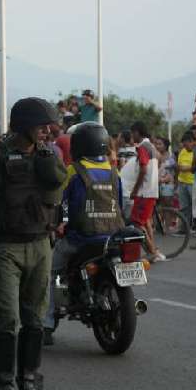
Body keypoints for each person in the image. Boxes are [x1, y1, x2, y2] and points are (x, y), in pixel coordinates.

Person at [0, 97, 66, 390]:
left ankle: (28, 383)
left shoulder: (48, 155)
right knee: (8, 321)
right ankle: (4, 387)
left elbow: (57, 191)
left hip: (40, 245)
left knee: (35, 321)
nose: (47, 132)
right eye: (42, 126)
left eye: (49, 127)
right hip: (5, 247)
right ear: (24, 125)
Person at [43, 122, 124, 346]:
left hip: (82, 239)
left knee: (49, 272)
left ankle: (47, 324)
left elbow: (61, 202)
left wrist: (59, 223)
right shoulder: (113, 171)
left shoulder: (73, 170)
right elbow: (119, 204)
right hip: (112, 236)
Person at [129, 122, 165, 262]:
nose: (132, 137)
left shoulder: (143, 147)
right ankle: (153, 249)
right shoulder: (152, 147)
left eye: (133, 133)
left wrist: (135, 190)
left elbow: (143, 170)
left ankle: (152, 252)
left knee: (137, 223)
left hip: (144, 192)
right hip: (151, 190)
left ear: (138, 132)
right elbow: (159, 160)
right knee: (146, 222)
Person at [176, 131, 196, 234]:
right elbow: (178, 166)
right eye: (183, 144)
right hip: (182, 182)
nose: (184, 146)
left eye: (186, 143)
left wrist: (187, 168)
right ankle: (184, 228)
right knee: (184, 207)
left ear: (192, 142)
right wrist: (186, 168)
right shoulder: (182, 151)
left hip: (193, 182)